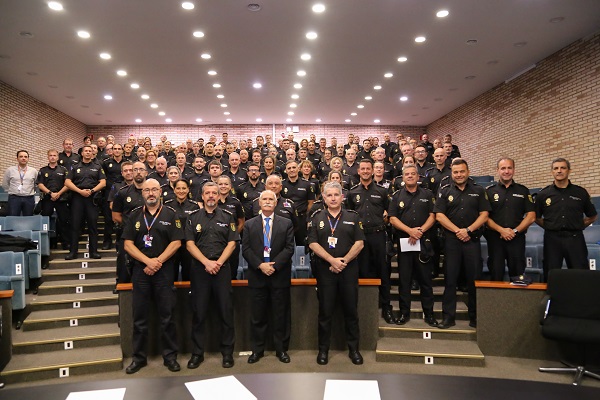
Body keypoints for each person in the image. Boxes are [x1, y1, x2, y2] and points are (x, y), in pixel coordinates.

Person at [122, 178, 183, 374]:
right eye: (147, 190)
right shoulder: (134, 215)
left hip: (164, 270)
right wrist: (148, 262)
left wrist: (157, 261)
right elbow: (127, 244)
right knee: (139, 317)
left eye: (154, 189)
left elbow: (176, 243)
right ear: (142, 193)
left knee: (168, 316)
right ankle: (138, 358)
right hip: (141, 270)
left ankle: (170, 357)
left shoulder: (171, 214)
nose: (150, 193)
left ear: (160, 192)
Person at [308, 181, 365, 366]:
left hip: (349, 270)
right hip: (325, 271)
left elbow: (360, 243)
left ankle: (354, 350)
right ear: (323, 198)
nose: (333, 198)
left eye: (336, 195)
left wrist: (343, 261)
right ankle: (323, 350)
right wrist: (332, 261)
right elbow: (313, 243)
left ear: (342, 197)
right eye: (329, 195)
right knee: (325, 313)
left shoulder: (353, 216)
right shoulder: (317, 217)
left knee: (351, 311)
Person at [185, 182, 240, 369]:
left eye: (214, 193)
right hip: (200, 269)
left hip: (222, 269)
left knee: (226, 312)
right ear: (202, 196)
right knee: (198, 313)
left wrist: (218, 263)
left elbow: (232, 243)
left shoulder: (228, 216)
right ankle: (197, 354)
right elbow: (189, 244)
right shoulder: (193, 217)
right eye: (207, 192)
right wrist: (206, 263)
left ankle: (227, 353)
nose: (210, 196)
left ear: (218, 196)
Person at [434, 158, 490, 329]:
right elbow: (439, 216)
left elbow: (484, 214)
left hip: (472, 240)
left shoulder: (479, 191)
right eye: (456, 172)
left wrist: (468, 230)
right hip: (452, 241)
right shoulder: (444, 191)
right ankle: (448, 317)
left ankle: (474, 317)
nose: (459, 175)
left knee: (474, 280)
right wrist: (458, 231)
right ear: (452, 173)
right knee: (450, 280)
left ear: (467, 172)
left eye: (462, 171)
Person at [243, 190, 295, 364]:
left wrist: (274, 266)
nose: (267, 202)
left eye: (270, 199)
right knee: (257, 316)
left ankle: (281, 350)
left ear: (275, 203)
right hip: (258, 276)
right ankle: (257, 350)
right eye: (264, 199)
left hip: (278, 275)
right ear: (259, 203)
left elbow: (289, 248)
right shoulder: (250, 224)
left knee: (280, 315)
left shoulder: (286, 223)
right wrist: (260, 265)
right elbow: (246, 250)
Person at [346, 159, 395, 324]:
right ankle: (365, 308)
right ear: (358, 172)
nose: (366, 171)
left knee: (383, 272)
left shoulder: (382, 191)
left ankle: (387, 308)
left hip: (378, 235)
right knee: (362, 271)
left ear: (373, 171)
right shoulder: (352, 192)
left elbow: (391, 210)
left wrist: (386, 218)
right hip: (359, 238)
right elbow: (349, 213)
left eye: (368, 168)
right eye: (363, 169)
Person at [388, 165, 438, 327]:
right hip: (405, 242)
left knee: (425, 281)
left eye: (413, 174)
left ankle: (429, 314)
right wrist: (410, 231)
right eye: (407, 174)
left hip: (423, 242)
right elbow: (392, 219)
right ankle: (404, 313)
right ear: (402, 177)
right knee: (405, 280)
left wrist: (420, 231)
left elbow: (433, 215)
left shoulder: (428, 194)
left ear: (418, 176)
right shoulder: (396, 196)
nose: (410, 176)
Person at [534, 158, 597, 282]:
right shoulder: (543, 194)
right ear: (552, 172)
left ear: (569, 171)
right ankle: (551, 301)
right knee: (551, 274)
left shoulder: (580, 192)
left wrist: (579, 225)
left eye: (563, 168)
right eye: (556, 168)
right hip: (552, 240)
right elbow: (535, 217)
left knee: (580, 274)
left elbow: (592, 215)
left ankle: (582, 301)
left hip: (575, 239)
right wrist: (548, 225)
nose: (559, 171)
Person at [485, 158, 536, 281]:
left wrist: (515, 231)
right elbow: (484, 217)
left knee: (518, 275)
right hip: (495, 239)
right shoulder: (489, 191)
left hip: (516, 240)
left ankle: (517, 300)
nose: (506, 171)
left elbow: (531, 216)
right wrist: (501, 230)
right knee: (496, 273)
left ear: (514, 170)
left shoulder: (523, 190)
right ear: (497, 170)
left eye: (509, 168)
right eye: (503, 168)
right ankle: (496, 301)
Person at [64, 145, 106, 260]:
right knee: (75, 226)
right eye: (86, 151)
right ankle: (73, 252)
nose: (88, 152)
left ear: (93, 153)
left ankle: (94, 252)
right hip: (77, 198)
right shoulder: (75, 166)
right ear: (82, 153)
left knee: (93, 226)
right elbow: (67, 182)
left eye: (90, 151)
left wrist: (91, 191)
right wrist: (79, 191)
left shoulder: (97, 167)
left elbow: (103, 183)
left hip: (92, 198)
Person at [112, 161, 148, 284]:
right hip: (128, 236)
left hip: (148, 235)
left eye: (141, 169)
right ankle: (123, 292)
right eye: (135, 169)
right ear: (132, 172)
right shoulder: (122, 192)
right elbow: (116, 215)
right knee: (124, 265)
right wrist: (130, 227)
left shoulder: (152, 192)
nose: (138, 172)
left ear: (146, 172)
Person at [164, 179, 200, 281]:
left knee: (188, 275)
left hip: (188, 245)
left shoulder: (194, 206)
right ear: (174, 190)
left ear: (188, 190)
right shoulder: (167, 205)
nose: (181, 191)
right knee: (171, 274)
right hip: (172, 245)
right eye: (178, 188)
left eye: (184, 188)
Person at [37, 149, 71, 250]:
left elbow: (68, 184)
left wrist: (58, 193)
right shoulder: (43, 170)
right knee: (45, 222)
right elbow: (40, 184)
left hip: (62, 199)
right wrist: (51, 193)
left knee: (64, 221)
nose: (52, 157)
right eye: (50, 155)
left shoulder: (64, 170)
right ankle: (48, 244)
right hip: (48, 200)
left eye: (54, 155)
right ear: (48, 157)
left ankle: (65, 242)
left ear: (57, 157)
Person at [216, 175, 245, 280]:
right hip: (216, 242)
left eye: (226, 184)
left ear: (230, 186)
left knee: (232, 270)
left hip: (232, 243)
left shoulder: (236, 202)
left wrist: (233, 236)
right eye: (220, 184)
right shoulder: (211, 202)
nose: (223, 186)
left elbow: (241, 222)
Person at [282, 160, 315, 246]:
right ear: (286, 171)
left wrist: (307, 218)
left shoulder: (307, 184)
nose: (292, 170)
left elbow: (311, 203)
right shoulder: (281, 185)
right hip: (286, 218)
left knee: (301, 244)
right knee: (285, 243)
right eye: (289, 168)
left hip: (302, 219)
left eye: (294, 167)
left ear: (298, 169)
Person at [3, 150, 38, 216]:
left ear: (28, 159)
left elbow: (36, 184)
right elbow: (5, 184)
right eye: (21, 156)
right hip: (14, 198)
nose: (23, 158)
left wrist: (30, 191)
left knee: (28, 218)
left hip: (29, 198)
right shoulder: (10, 170)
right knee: (13, 218)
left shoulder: (33, 171)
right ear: (17, 159)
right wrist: (13, 191)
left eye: (25, 157)